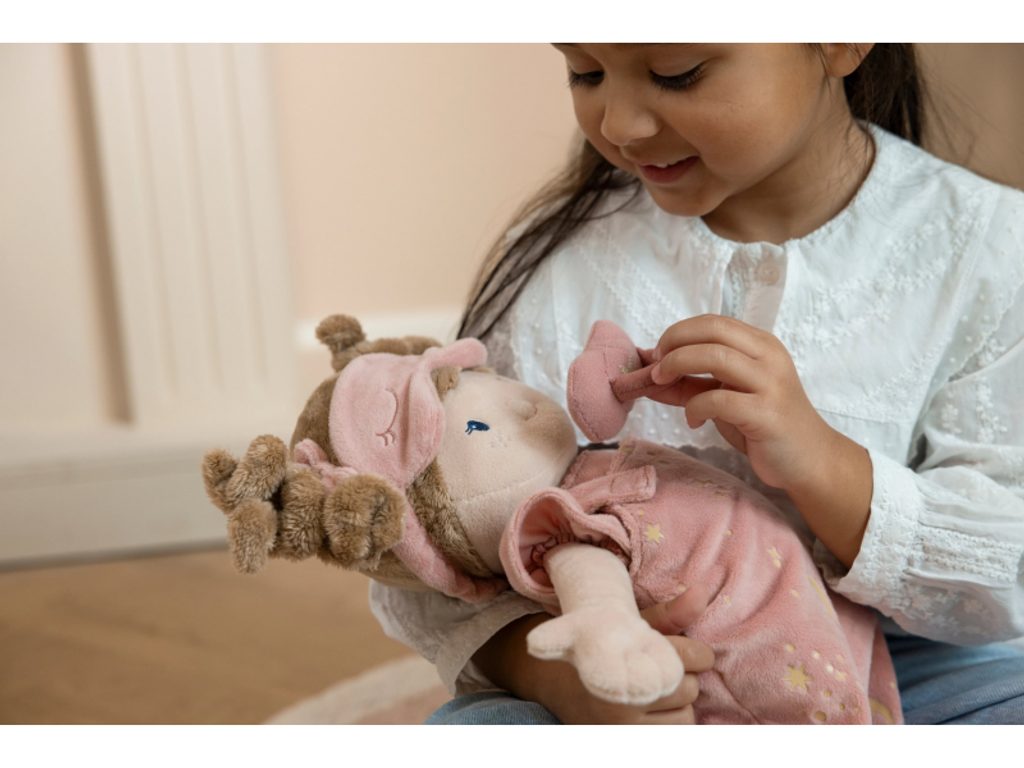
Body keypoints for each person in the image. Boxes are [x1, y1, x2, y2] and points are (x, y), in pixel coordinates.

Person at [369, 43, 1024, 724]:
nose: (619, 124)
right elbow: (429, 546)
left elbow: (1004, 569)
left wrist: (821, 461)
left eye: (676, 74)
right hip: (628, 648)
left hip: (904, 661)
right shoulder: (558, 261)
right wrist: (556, 675)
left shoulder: (994, 246)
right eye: (585, 72)